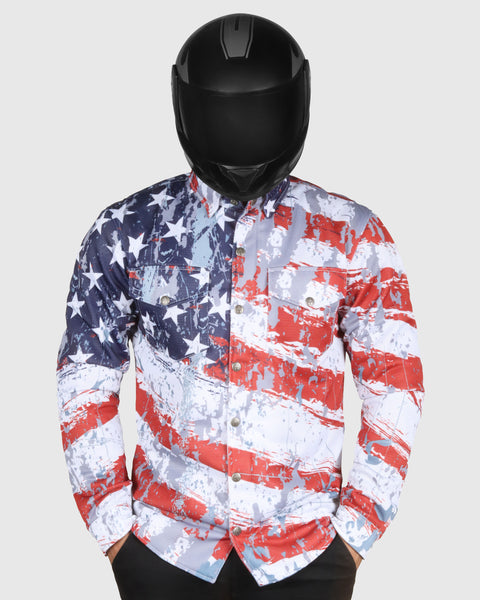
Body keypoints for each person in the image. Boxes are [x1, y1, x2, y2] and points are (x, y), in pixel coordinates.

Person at [57, 13, 424, 600]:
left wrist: (356, 531)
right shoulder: (126, 231)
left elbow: (395, 383)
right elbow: (84, 376)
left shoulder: (353, 237)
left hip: (307, 552)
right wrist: (113, 529)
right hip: (163, 547)